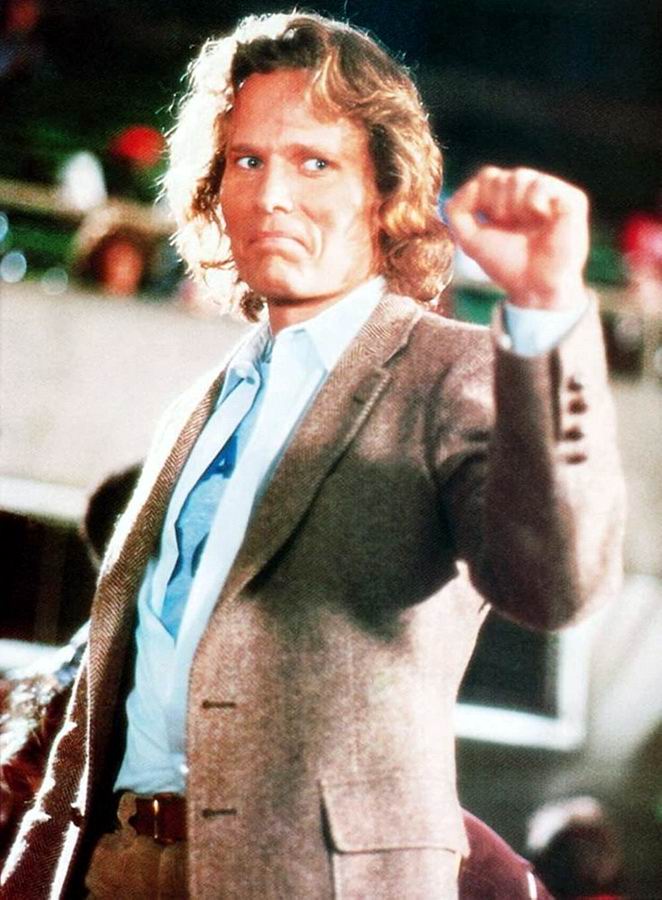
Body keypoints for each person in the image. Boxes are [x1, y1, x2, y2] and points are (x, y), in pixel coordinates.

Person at [1, 11, 625, 899]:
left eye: (313, 162)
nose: (271, 196)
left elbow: (556, 582)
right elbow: (106, 704)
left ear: (385, 190)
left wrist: (548, 308)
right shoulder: (196, 406)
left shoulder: (451, 372)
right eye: (247, 161)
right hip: (119, 864)